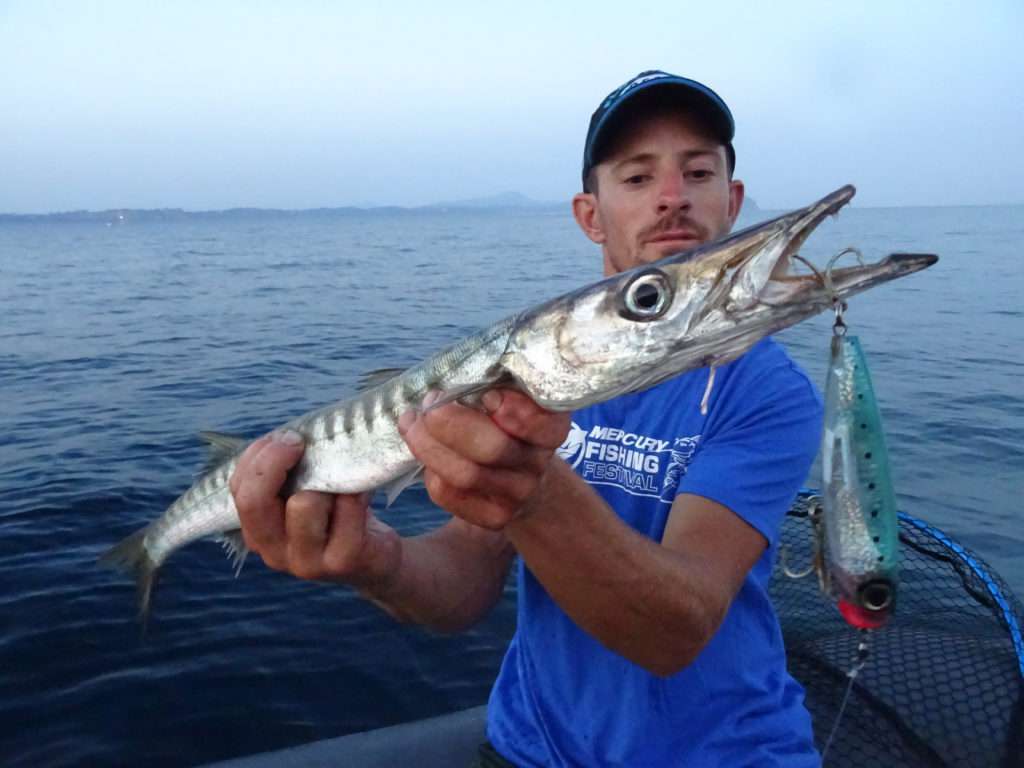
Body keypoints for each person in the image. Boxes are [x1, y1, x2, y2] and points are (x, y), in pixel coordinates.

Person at [229, 70, 824, 767]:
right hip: (527, 750)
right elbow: (464, 586)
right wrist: (373, 561)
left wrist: (534, 494)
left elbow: (674, 631)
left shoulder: (768, 392)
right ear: (590, 215)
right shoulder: (551, 367)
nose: (672, 197)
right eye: (637, 178)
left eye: (698, 172)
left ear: (733, 200)